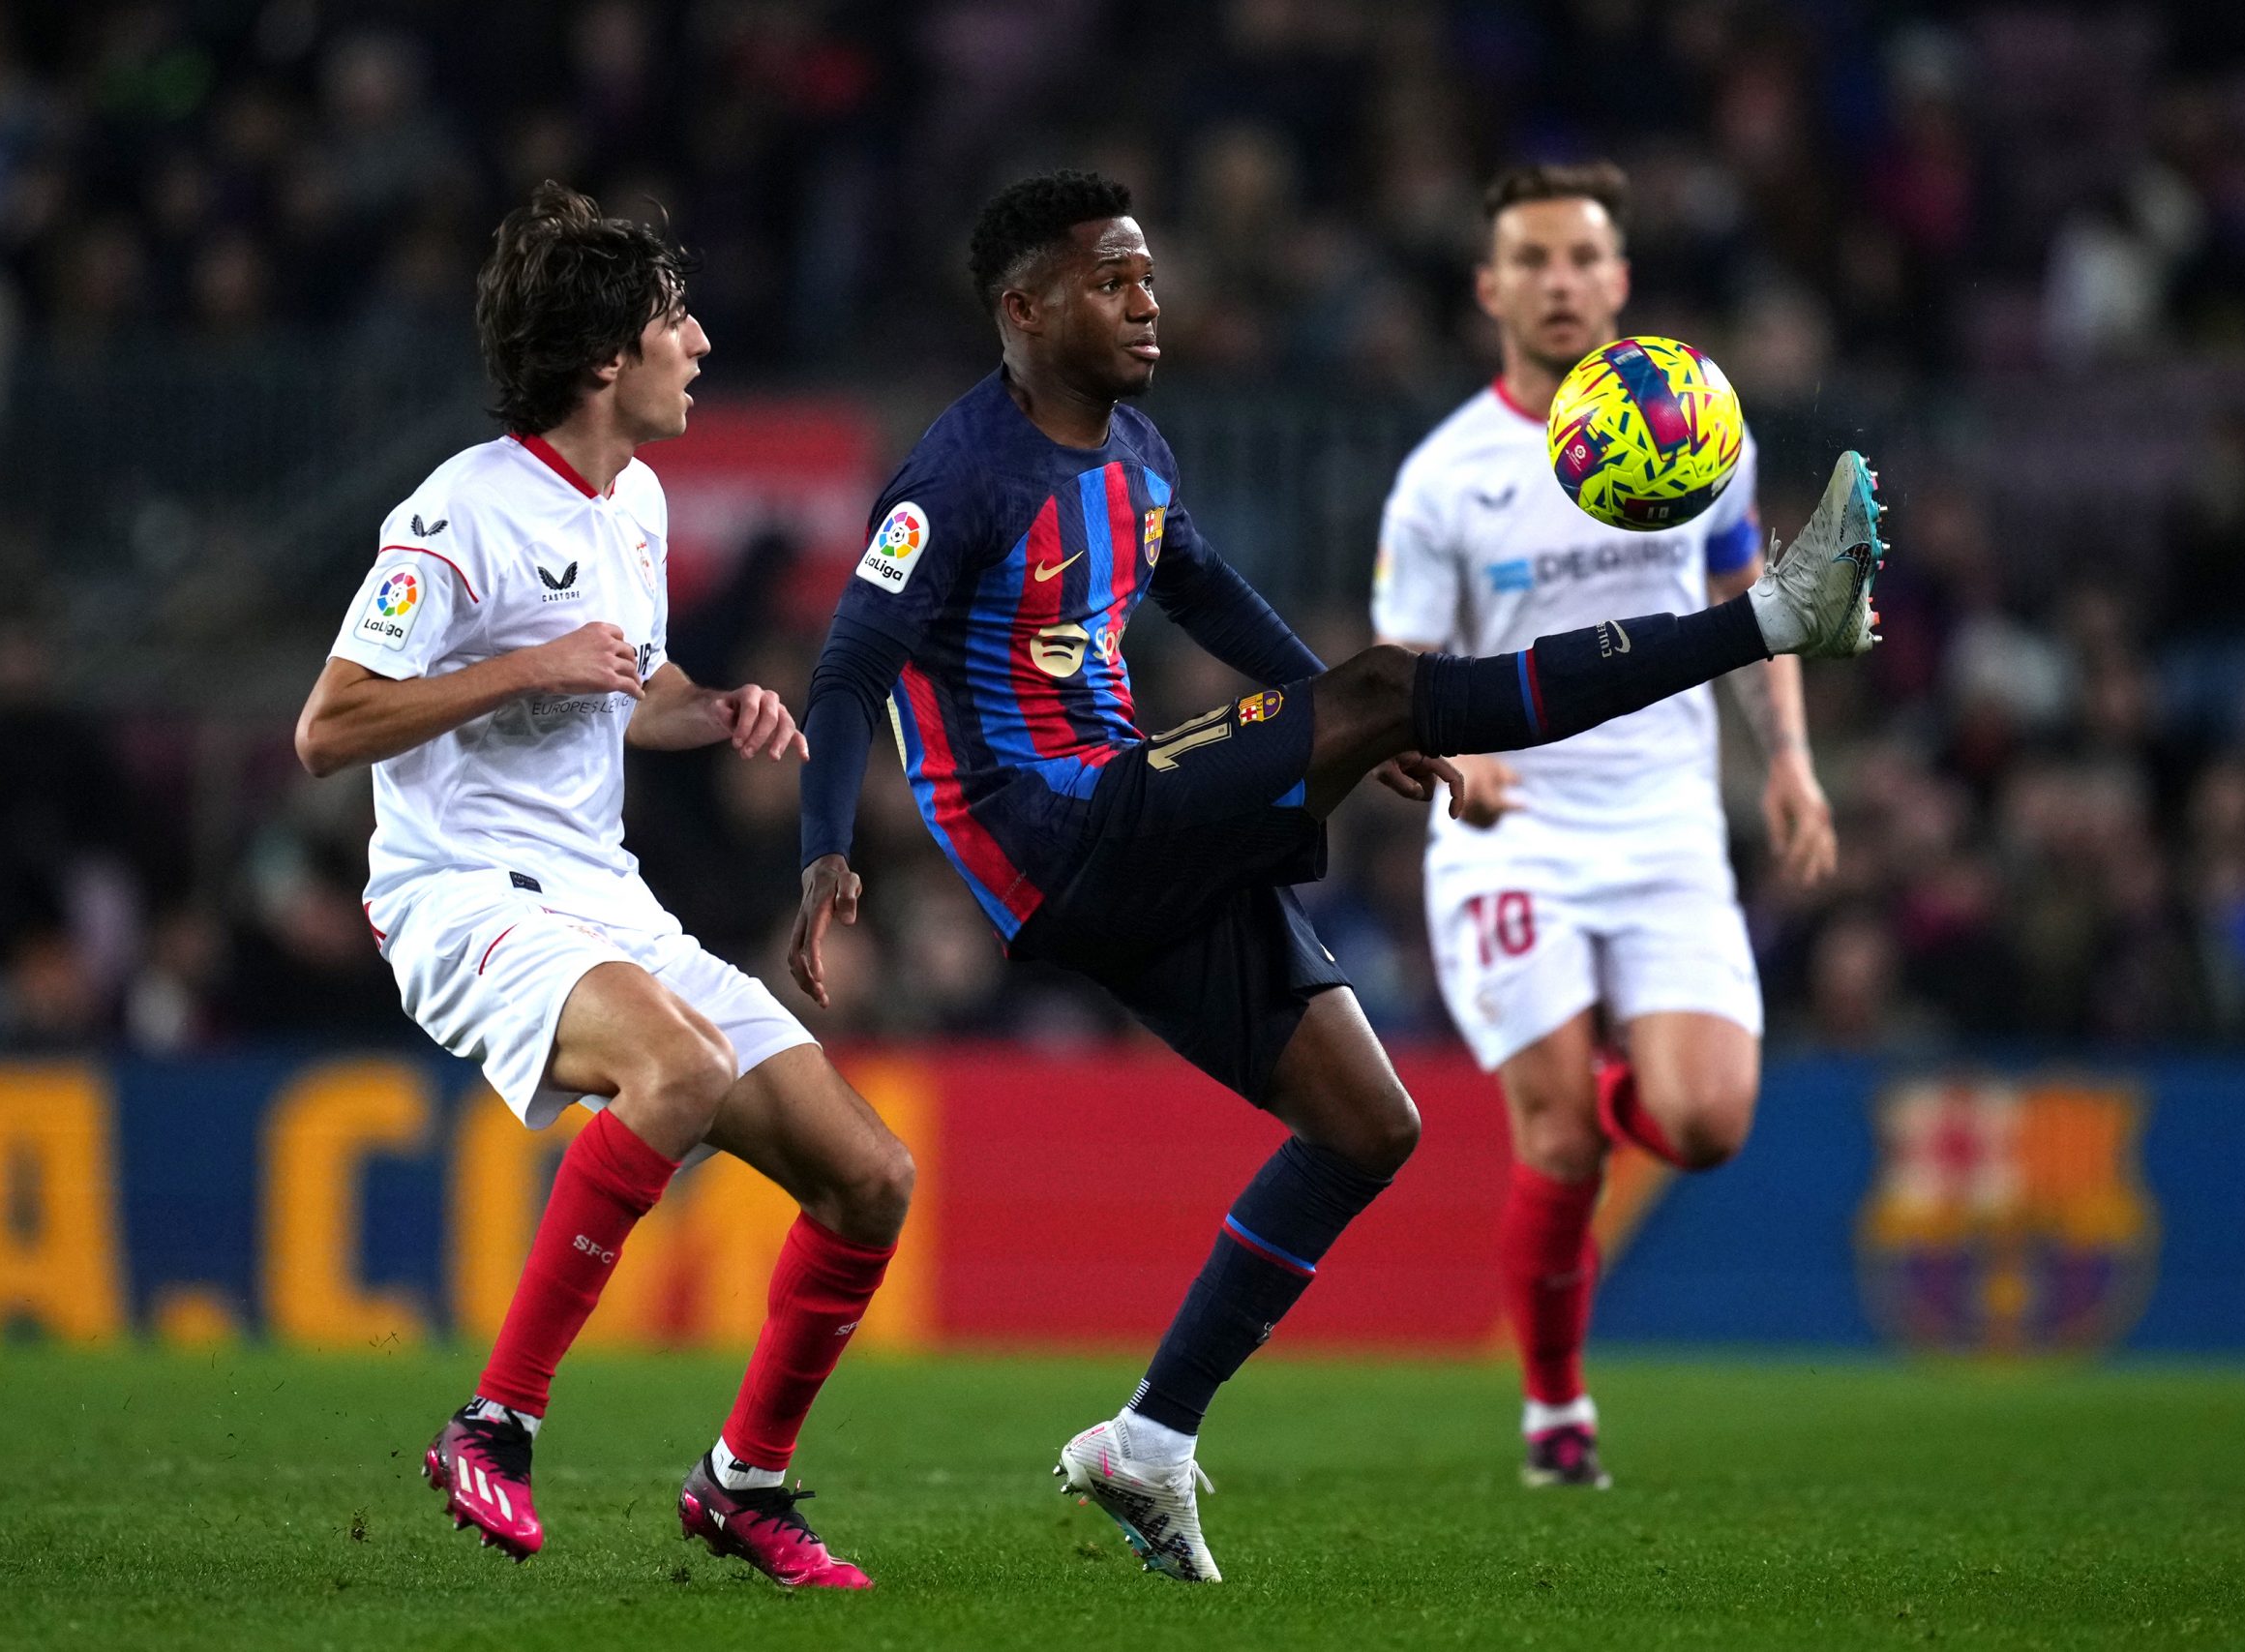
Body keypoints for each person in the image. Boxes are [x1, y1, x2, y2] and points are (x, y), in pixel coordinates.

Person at [790, 169, 1883, 1581]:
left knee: (1370, 1124)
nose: (1147, 301)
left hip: (1137, 833)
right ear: (1026, 307)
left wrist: (1337, 713)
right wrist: (824, 852)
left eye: (1147, 276)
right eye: (1114, 281)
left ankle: (1151, 1440)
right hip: (1054, 827)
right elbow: (846, 670)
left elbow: (1199, 588)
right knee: (1391, 684)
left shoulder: (1139, 452)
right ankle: (1779, 615)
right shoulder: (958, 475)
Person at [293, 182, 911, 1588]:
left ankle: (744, 1487)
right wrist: (526, 665)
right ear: (603, 361)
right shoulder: (457, 513)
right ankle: (494, 1426)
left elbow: (621, 688)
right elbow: (329, 730)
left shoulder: (633, 499)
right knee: (679, 1073)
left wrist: (717, 707)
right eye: (672, 320)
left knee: (871, 1179)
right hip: (462, 893)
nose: (698, 343)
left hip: (599, 895)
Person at [1373, 162, 1846, 1490]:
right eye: (1531, 259)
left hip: (1665, 827)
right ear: (1489, 289)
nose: (1560, 279)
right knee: (1561, 1138)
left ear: (1621, 280)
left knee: (1705, 1123)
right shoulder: (1444, 482)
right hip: (1510, 829)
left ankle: (1610, 1095)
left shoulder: (1703, 427)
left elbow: (1754, 609)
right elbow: (1397, 673)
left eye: (1583, 256)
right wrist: (1456, 752)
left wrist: (1793, 765)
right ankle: (1553, 1408)